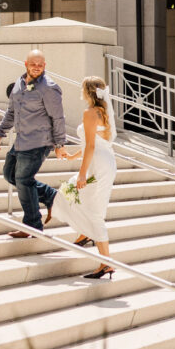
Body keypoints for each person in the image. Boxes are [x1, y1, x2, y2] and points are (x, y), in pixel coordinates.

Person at [48, 76, 117, 279]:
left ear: (87, 91)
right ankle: (85, 233)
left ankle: (106, 262)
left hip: (98, 162)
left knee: (79, 199)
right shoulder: (104, 112)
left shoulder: (90, 113)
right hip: (107, 161)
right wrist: (74, 155)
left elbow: (92, 146)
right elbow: (93, 142)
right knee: (75, 196)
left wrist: (81, 173)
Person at [0, 50, 68, 237]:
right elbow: (11, 111)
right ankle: (52, 197)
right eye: (33, 64)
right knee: (10, 175)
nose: (36, 67)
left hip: (38, 142)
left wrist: (60, 144)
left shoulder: (49, 88)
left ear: (45, 66)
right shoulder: (18, 84)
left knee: (24, 180)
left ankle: (32, 225)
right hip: (20, 141)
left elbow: (58, 118)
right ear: (25, 64)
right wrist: (0, 132)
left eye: (40, 65)